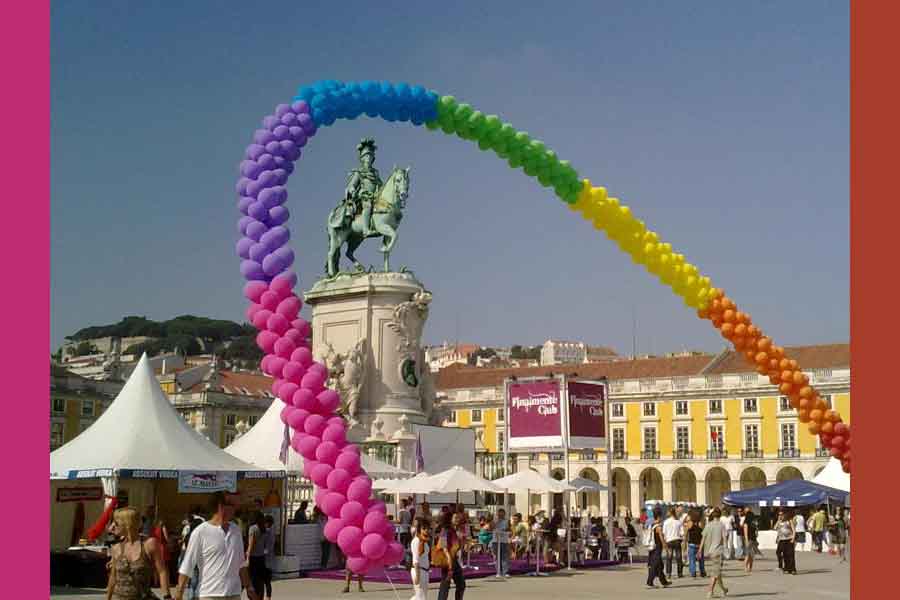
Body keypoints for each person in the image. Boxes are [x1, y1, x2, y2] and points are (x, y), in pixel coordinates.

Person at [174, 492, 258, 600]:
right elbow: (187, 565)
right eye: (231, 505)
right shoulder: (201, 532)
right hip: (209, 595)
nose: (235, 509)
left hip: (234, 594)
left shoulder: (236, 530)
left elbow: (241, 564)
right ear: (221, 506)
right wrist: (179, 593)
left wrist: (249, 588)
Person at [106, 507, 172, 600]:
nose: (112, 527)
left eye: (116, 523)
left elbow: (162, 571)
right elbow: (113, 577)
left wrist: (167, 596)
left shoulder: (149, 544)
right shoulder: (116, 548)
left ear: (127, 525)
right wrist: (108, 598)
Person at [699, 507, 729, 599]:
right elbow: (724, 539)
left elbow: (703, 538)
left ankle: (724, 589)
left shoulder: (708, 525)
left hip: (710, 552)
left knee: (717, 572)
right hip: (718, 551)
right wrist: (726, 550)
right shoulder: (721, 525)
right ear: (720, 515)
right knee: (715, 572)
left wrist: (700, 550)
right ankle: (710, 591)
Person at [436, 511, 465, 600]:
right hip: (448, 560)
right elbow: (444, 546)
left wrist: (461, 540)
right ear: (450, 519)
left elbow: (458, 547)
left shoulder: (455, 530)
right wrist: (449, 563)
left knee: (461, 584)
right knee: (445, 585)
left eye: (458, 518)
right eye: (455, 518)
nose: (458, 519)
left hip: (454, 560)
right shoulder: (445, 530)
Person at [646, 507, 671, 589]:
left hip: (652, 547)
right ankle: (650, 582)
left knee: (659, 565)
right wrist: (667, 550)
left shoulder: (652, 524)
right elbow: (662, 539)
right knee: (655, 564)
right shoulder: (658, 527)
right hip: (657, 547)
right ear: (659, 516)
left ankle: (664, 582)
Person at [247, 513, 269, 599]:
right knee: (261, 580)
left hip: (254, 557)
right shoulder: (264, 528)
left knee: (253, 580)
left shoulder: (253, 528)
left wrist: (248, 556)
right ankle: (260, 597)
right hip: (261, 557)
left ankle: (253, 597)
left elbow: (251, 544)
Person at [410, 518, 431, 600]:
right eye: (424, 528)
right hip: (418, 570)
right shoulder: (416, 541)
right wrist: (417, 576)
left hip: (425, 571)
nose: (426, 530)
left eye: (427, 528)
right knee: (420, 597)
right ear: (419, 529)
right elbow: (415, 559)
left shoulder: (424, 541)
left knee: (422, 597)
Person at [662, 507, 685, 579]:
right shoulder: (678, 522)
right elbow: (682, 533)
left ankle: (668, 573)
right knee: (679, 557)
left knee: (669, 558)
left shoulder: (666, 522)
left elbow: (664, 533)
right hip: (677, 540)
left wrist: (665, 541)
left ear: (669, 513)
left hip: (669, 541)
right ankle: (680, 573)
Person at [686, 510, 707, 578]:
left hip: (692, 544)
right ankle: (702, 572)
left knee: (692, 559)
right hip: (699, 544)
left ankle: (693, 572)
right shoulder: (701, 523)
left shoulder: (690, 523)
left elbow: (686, 530)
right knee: (701, 559)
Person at [774, 510, 796, 574]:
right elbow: (775, 528)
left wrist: (793, 538)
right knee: (785, 555)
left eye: (781, 515)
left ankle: (793, 569)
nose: (780, 516)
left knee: (791, 554)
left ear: (785, 515)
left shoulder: (789, 521)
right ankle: (786, 568)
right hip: (782, 540)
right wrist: (778, 520)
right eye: (779, 515)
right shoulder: (779, 522)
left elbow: (794, 530)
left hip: (789, 539)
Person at [493, 509, 510, 578]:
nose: (501, 515)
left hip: (504, 540)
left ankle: (505, 572)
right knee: (497, 556)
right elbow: (491, 527)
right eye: (499, 514)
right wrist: (496, 521)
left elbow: (509, 528)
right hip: (496, 540)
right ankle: (498, 571)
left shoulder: (506, 521)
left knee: (504, 556)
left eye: (502, 514)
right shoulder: (495, 520)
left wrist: (505, 530)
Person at [263, 515, 276, 600]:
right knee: (268, 582)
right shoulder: (272, 533)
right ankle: (268, 597)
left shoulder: (266, 533)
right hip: (270, 561)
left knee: (262, 582)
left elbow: (267, 549)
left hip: (265, 560)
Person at [743, 508, 759, 573]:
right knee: (751, 554)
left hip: (749, 539)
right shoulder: (753, 521)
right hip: (753, 538)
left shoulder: (746, 521)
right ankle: (749, 567)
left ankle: (746, 567)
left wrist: (746, 539)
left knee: (748, 554)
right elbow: (756, 530)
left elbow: (745, 531)